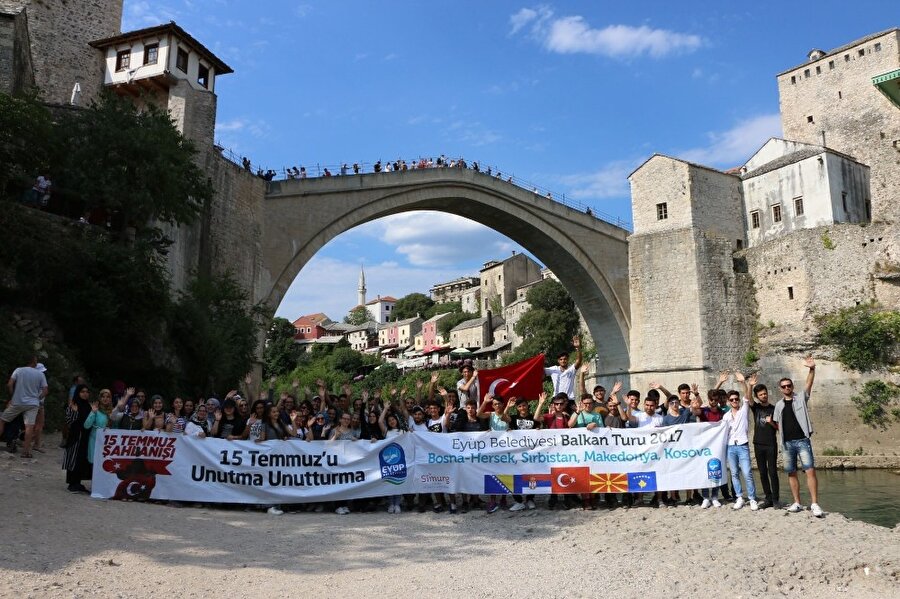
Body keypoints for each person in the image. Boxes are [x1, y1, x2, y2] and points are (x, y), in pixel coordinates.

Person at [773, 357, 823, 517]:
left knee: (810, 471)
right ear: (780, 389)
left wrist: (812, 369)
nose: (786, 388)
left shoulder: (800, 397)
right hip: (787, 444)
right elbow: (776, 423)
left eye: (789, 385)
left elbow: (809, 384)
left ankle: (814, 503)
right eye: (784, 386)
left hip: (802, 440)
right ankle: (797, 503)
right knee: (791, 473)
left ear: (792, 386)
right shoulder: (779, 405)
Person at [721, 373, 758, 511]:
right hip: (731, 447)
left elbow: (747, 398)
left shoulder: (744, 410)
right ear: (729, 402)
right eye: (732, 399)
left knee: (747, 472)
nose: (735, 401)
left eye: (736, 399)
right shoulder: (725, 416)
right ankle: (739, 497)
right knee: (734, 473)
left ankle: (752, 498)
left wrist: (746, 383)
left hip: (742, 446)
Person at [1, 356, 48, 459]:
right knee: (29, 427)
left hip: (17, 402)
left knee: (2, 420)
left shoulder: (18, 370)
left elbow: (9, 385)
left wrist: (13, 396)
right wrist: (37, 398)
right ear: (34, 363)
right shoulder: (40, 374)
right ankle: (26, 452)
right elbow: (45, 391)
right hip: (32, 404)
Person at [749, 374, 780, 509]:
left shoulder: (774, 408)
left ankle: (776, 499)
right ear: (757, 397)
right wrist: (750, 385)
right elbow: (748, 399)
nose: (764, 396)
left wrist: (772, 422)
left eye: (765, 394)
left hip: (771, 444)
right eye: (761, 395)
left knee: (772, 471)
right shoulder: (756, 408)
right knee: (762, 472)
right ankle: (768, 498)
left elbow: (779, 427)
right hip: (758, 443)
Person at [62, 384, 92, 493]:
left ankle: (78, 483)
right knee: (74, 460)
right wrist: (75, 412)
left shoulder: (88, 406)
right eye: (82, 392)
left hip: (85, 438)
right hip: (76, 438)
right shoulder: (73, 405)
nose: (85, 394)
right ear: (78, 393)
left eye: (87, 392)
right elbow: (69, 422)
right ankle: (72, 483)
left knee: (82, 460)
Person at [543, 336, 582, 403]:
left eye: (565, 359)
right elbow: (541, 370)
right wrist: (540, 359)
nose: (563, 361)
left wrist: (578, 348)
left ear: (568, 359)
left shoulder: (571, 369)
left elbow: (579, 360)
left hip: (569, 399)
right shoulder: (553, 369)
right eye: (561, 359)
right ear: (558, 361)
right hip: (556, 399)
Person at [83, 393, 109, 468]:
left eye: (108, 397)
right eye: (103, 397)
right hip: (95, 442)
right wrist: (93, 412)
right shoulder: (96, 410)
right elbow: (86, 426)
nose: (105, 398)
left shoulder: (113, 411)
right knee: (95, 467)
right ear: (100, 398)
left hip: (108, 444)